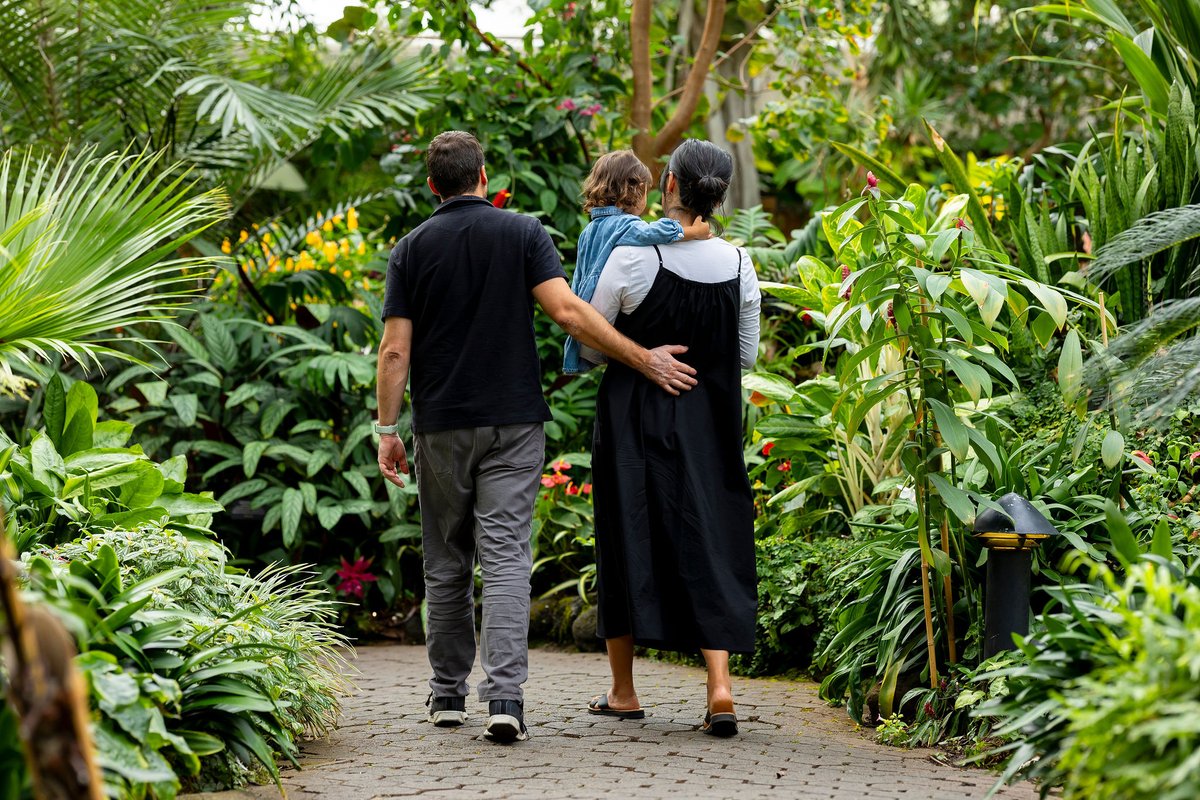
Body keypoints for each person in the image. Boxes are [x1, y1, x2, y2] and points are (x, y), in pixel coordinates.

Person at [374, 130, 698, 744]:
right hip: (515, 423)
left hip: (440, 425)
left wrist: (387, 429)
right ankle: (504, 700)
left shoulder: (410, 250)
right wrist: (643, 359)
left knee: (446, 560)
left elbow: (395, 351)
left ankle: (447, 696)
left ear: (431, 185)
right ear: (483, 176)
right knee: (504, 558)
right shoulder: (522, 232)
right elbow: (570, 313)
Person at [582, 139, 760, 737]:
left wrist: (642, 358)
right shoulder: (740, 264)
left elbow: (587, 342)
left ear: (670, 187)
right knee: (709, 535)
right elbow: (744, 354)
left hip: (635, 421)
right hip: (708, 422)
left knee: (626, 532)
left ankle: (625, 692)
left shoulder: (633, 258)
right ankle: (720, 688)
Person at [563, 150, 710, 374]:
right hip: (604, 312)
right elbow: (656, 232)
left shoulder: (591, 229)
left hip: (584, 307)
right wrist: (695, 232)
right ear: (640, 189)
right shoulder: (624, 225)